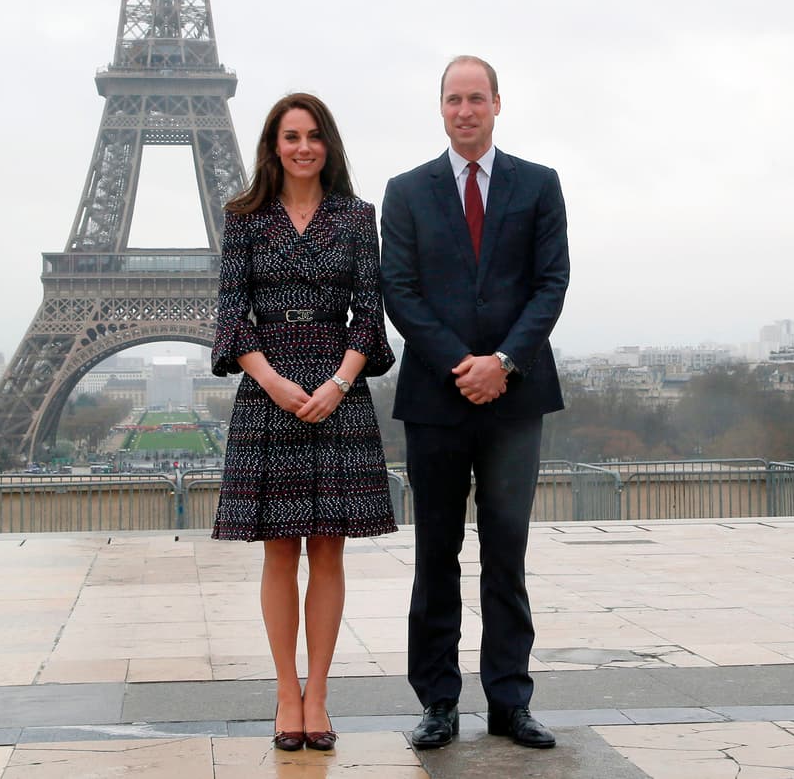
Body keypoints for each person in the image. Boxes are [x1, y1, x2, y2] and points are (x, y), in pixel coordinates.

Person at [380, 56, 569, 751]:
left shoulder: (540, 185)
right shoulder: (405, 192)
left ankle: (509, 701)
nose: (465, 110)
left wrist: (504, 363)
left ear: (497, 103)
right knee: (436, 556)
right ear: (441, 107)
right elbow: (398, 291)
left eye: (476, 98)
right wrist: (463, 363)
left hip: (514, 401)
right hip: (438, 397)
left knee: (507, 556)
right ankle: (437, 701)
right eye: (454, 99)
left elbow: (552, 283)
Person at [211, 92, 397, 752]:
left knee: (328, 548)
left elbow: (370, 316)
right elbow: (231, 314)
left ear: (329, 144)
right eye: (291, 135)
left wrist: (340, 381)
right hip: (272, 385)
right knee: (280, 549)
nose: (303, 146)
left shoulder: (356, 216)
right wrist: (273, 380)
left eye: (314, 135)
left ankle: (318, 691)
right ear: (273, 145)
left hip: (336, 382)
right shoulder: (245, 219)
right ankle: (285, 691)